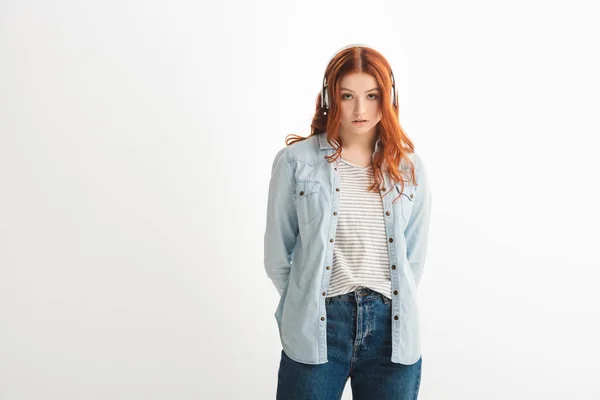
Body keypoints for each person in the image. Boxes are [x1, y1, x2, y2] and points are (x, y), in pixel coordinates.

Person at [263, 43, 432, 400]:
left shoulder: (409, 168)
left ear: (388, 99)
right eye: (347, 95)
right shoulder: (296, 162)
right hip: (319, 324)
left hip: (393, 330)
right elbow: (278, 257)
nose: (359, 109)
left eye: (371, 95)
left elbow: (412, 259)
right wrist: (304, 302)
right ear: (329, 97)